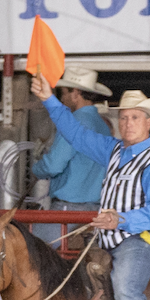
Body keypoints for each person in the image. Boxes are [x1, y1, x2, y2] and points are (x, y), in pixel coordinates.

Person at [34, 77, 150, 300]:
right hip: (110, 239)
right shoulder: (114, 151)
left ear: (149, 122)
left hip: (140, 240)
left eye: (135, 117)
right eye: (123, 118)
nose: (127, 123)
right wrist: (48, 99)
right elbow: (75, 133)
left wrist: (121, 219)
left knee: (127, 290)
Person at [30, 65, 113, 248]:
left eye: (64, 92)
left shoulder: (73, 122)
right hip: (95, 207)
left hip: (68, 208)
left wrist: (37, 169)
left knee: (31, 250)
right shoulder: (103, 125)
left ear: (75, 93)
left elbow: (53, 165)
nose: (63, 97)